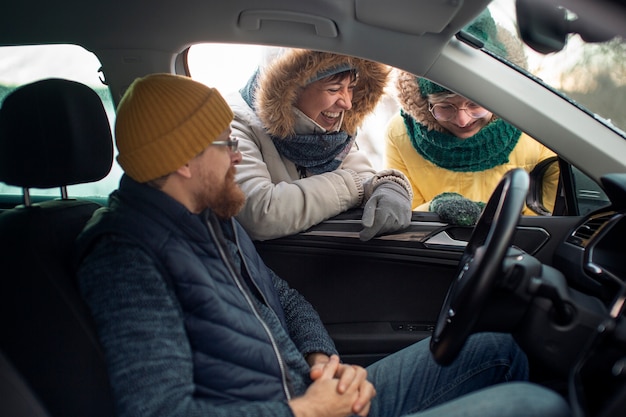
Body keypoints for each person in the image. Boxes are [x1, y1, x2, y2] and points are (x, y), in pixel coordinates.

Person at [74, 73, 570, 417]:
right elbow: (158, 410)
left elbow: (283, 298)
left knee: (496, 350)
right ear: (183, 161)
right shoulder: (126, 258)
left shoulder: (208, 219)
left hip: (310, 394)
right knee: (539, 407)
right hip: (297, 409)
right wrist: (303, 410)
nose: (238, 155)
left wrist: (323, 363)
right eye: (226, 143)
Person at [384, 11, 559, 226]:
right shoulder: (399, 133)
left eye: (474, 105)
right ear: (425, 103)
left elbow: (550, 219)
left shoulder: (536, 129)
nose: (463, 120)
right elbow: (409, 217)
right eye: (445, 107)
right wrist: (435, 207)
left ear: (495, 97)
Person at [228, 48, 413, 241]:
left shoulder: (334, 131)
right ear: (289, 91)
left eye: (351, 87)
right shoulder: (234, 124)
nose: (347, 103)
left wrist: (389, 186)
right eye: (333, 89)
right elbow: (259, 213)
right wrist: (352, 187)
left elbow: (362, 175)